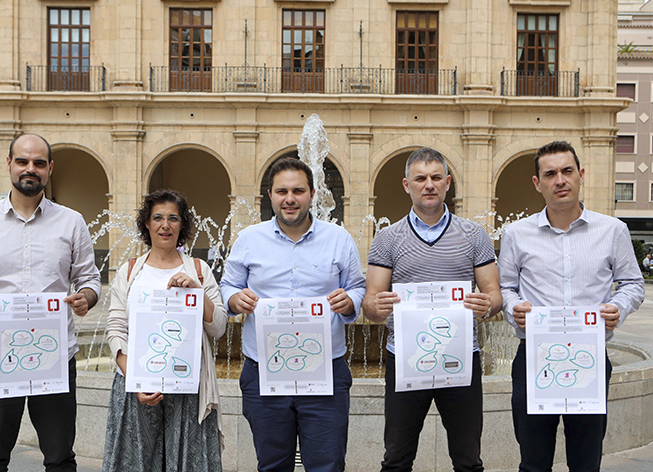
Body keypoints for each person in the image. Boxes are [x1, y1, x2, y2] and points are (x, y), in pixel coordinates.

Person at [0, 133, 101, 471]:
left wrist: (85, 298)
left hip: (55, 358)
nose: (30, 169)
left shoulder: (71, 222)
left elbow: (90, 280)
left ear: (49, 169)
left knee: (60, 458)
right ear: (9, 164)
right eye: (23, 161)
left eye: (39, 163)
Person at [497, 140, 645, 472]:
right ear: (538, 183)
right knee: (533, 462)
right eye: (550, 174)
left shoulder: (613, 230)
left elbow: (633, 284)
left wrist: (617, 308)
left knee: (585, 461)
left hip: (589, 359)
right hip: (534, 359)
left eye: (567, 171)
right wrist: (513, 306)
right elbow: (505, 286)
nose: (560, 180)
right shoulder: (517, 234)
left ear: (581, 175)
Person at [220, 158, 366, 472]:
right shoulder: (249, 240)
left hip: (326, 371)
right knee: (273, 464)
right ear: (270, 195)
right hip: (263, 371)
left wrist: (349, 301)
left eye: (298, 190)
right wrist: (235, 299)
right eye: (282, 191)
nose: (290, 198)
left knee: (327, 464)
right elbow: (228, 285)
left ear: (312, 194)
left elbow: (357, 287)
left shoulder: (339, 239)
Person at [362, 147, 502, 472]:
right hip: (407, 358)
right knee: (396, 458)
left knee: (468, 459)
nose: (429, 184)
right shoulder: (387, 239)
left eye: (436, 177)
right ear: (406, 184)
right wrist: (376, 306)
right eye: (420, 178)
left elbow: (494, 295)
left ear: (448, 182)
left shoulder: (474, 236)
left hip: (462, 358)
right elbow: (370, 303)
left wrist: (487, 303)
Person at [102, 189, 226, 472]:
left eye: (173, 218)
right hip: (136, 386)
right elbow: (116, 329)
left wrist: (197, 291)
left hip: (188, 386)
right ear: (146, 223)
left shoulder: (199, 269)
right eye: (157, 217)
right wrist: (135, 378)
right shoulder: (130, 270)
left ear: (182, 225)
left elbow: (218, 327)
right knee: (135, 462)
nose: (165, 225)